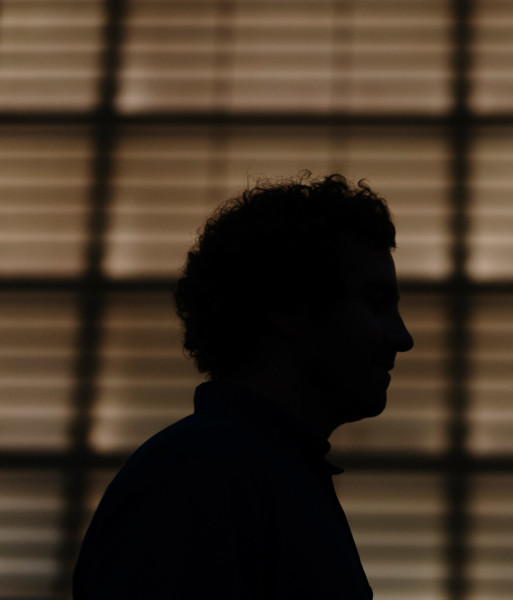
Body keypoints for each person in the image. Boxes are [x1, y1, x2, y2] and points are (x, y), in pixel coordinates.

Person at [73, 173, 414, 599]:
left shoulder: (239, 472)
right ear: (287, 307)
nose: (403, 337)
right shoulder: (203, 476)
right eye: (375, 303)